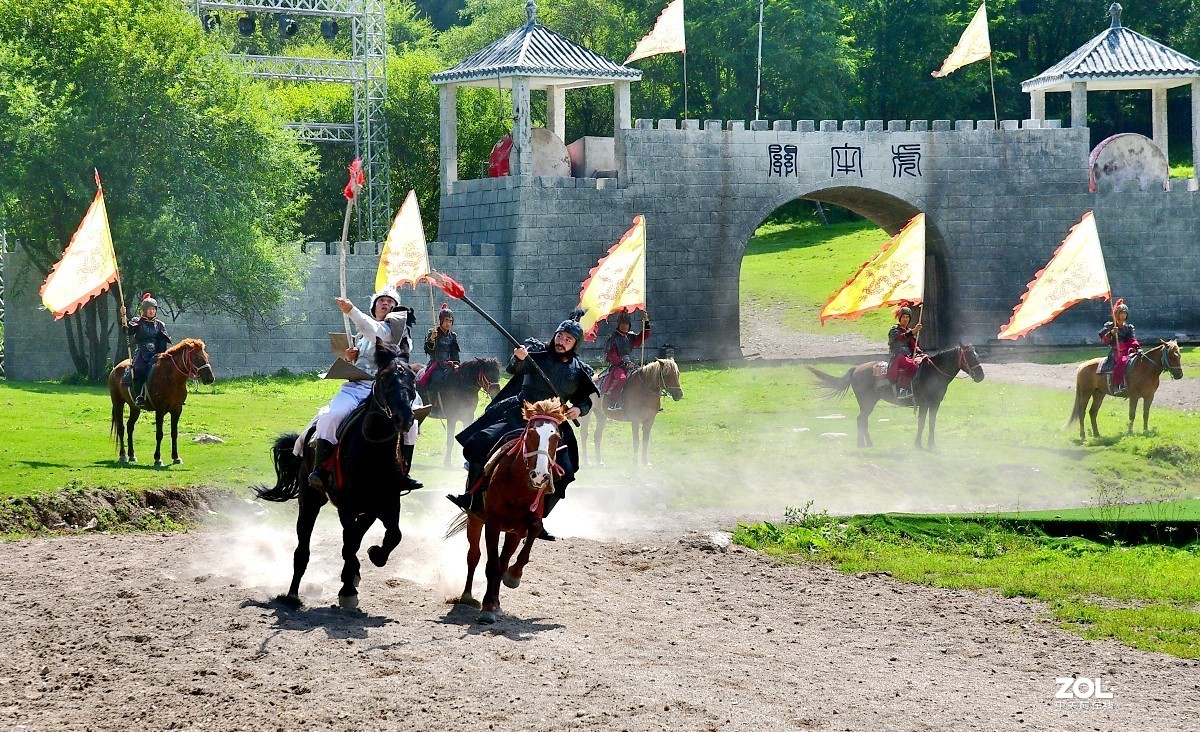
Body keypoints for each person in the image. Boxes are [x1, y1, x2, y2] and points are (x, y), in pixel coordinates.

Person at [448, 316, 597, 541]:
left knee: (566, 471)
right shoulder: (535, 356)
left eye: (568, 339)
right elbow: (514, 368)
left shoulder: (578, 371)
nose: (562, 341)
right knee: (477, 444)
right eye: (559, 336)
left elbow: (585, 400)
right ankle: (472, 498)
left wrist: (579, 409)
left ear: (575, 344)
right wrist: (518, 358)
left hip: (553, 424)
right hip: (519, 414)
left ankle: (539, 517)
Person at [294, 287, 423, 495]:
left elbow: (376, 331)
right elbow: (366, 336)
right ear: (374, 306)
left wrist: (351, 310)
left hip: (387, 392)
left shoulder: (396, 329)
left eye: (390, 302)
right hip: (356, 387)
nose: (386, 304)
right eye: (382, 300)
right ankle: (321, 469)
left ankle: (403, 472)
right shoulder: (362, 335)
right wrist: (349, 356)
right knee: (330, 416)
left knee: (412, 423)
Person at [123, 292, 171, 408]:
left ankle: (171, 394)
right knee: (139, 368)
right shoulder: (138, 321)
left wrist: (162, 355)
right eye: (149, 309)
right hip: (142, 352)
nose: (152, 311)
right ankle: (139, 395)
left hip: (156, 354)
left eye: (154, 309)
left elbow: (163, 341)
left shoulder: (160, 325)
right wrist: (123, 317)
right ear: (144, 310)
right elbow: (128, 331)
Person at [602, 311, 650, 410]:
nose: (625, 326)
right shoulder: (612, 338)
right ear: (619, 324)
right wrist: (624, 364)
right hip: (617, 366)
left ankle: (646, 403)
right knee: (622, 378)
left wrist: (646, 321)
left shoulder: (630, 336)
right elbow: (612, 356)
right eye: (623, 324)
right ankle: (613, 401)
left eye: (627, 324)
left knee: (644, 376)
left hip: (629, 364)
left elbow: (644, 336)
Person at [417, 303, 460, 393]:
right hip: (436, 365)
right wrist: (432, 339)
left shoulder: (453, 336)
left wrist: (456, 364)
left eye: (450, 321)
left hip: (449, 365)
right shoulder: (433, 333)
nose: (448, 323)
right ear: (441, 320)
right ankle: (435, 401)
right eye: (446, 320)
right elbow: (428, 350)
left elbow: (454, 353)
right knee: (436, 378)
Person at [1100, 299, 1139, 396]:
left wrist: (1136, 347)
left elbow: (1131, 339)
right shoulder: (1110, 326)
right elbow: (1105, 340)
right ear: (1117, 314)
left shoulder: (1129, 327)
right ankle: (1117, 385)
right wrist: (1112, 333)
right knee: (1122, 361)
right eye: (1121, 313)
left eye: (1125, 313)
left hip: (1128, 349)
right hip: (1116, 350)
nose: (1123, 315)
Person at [887, 303, 922, 399]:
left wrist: (920, 353)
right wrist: (913, 331)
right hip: (898, 356)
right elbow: (901, 338)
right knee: (912, 365)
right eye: (903, 317)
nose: (905, 319)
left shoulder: (909, 330)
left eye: (907, 317)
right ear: (900, 318)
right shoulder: (894, 330)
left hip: (909, 356)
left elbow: (913, 345)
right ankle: (902, 390)